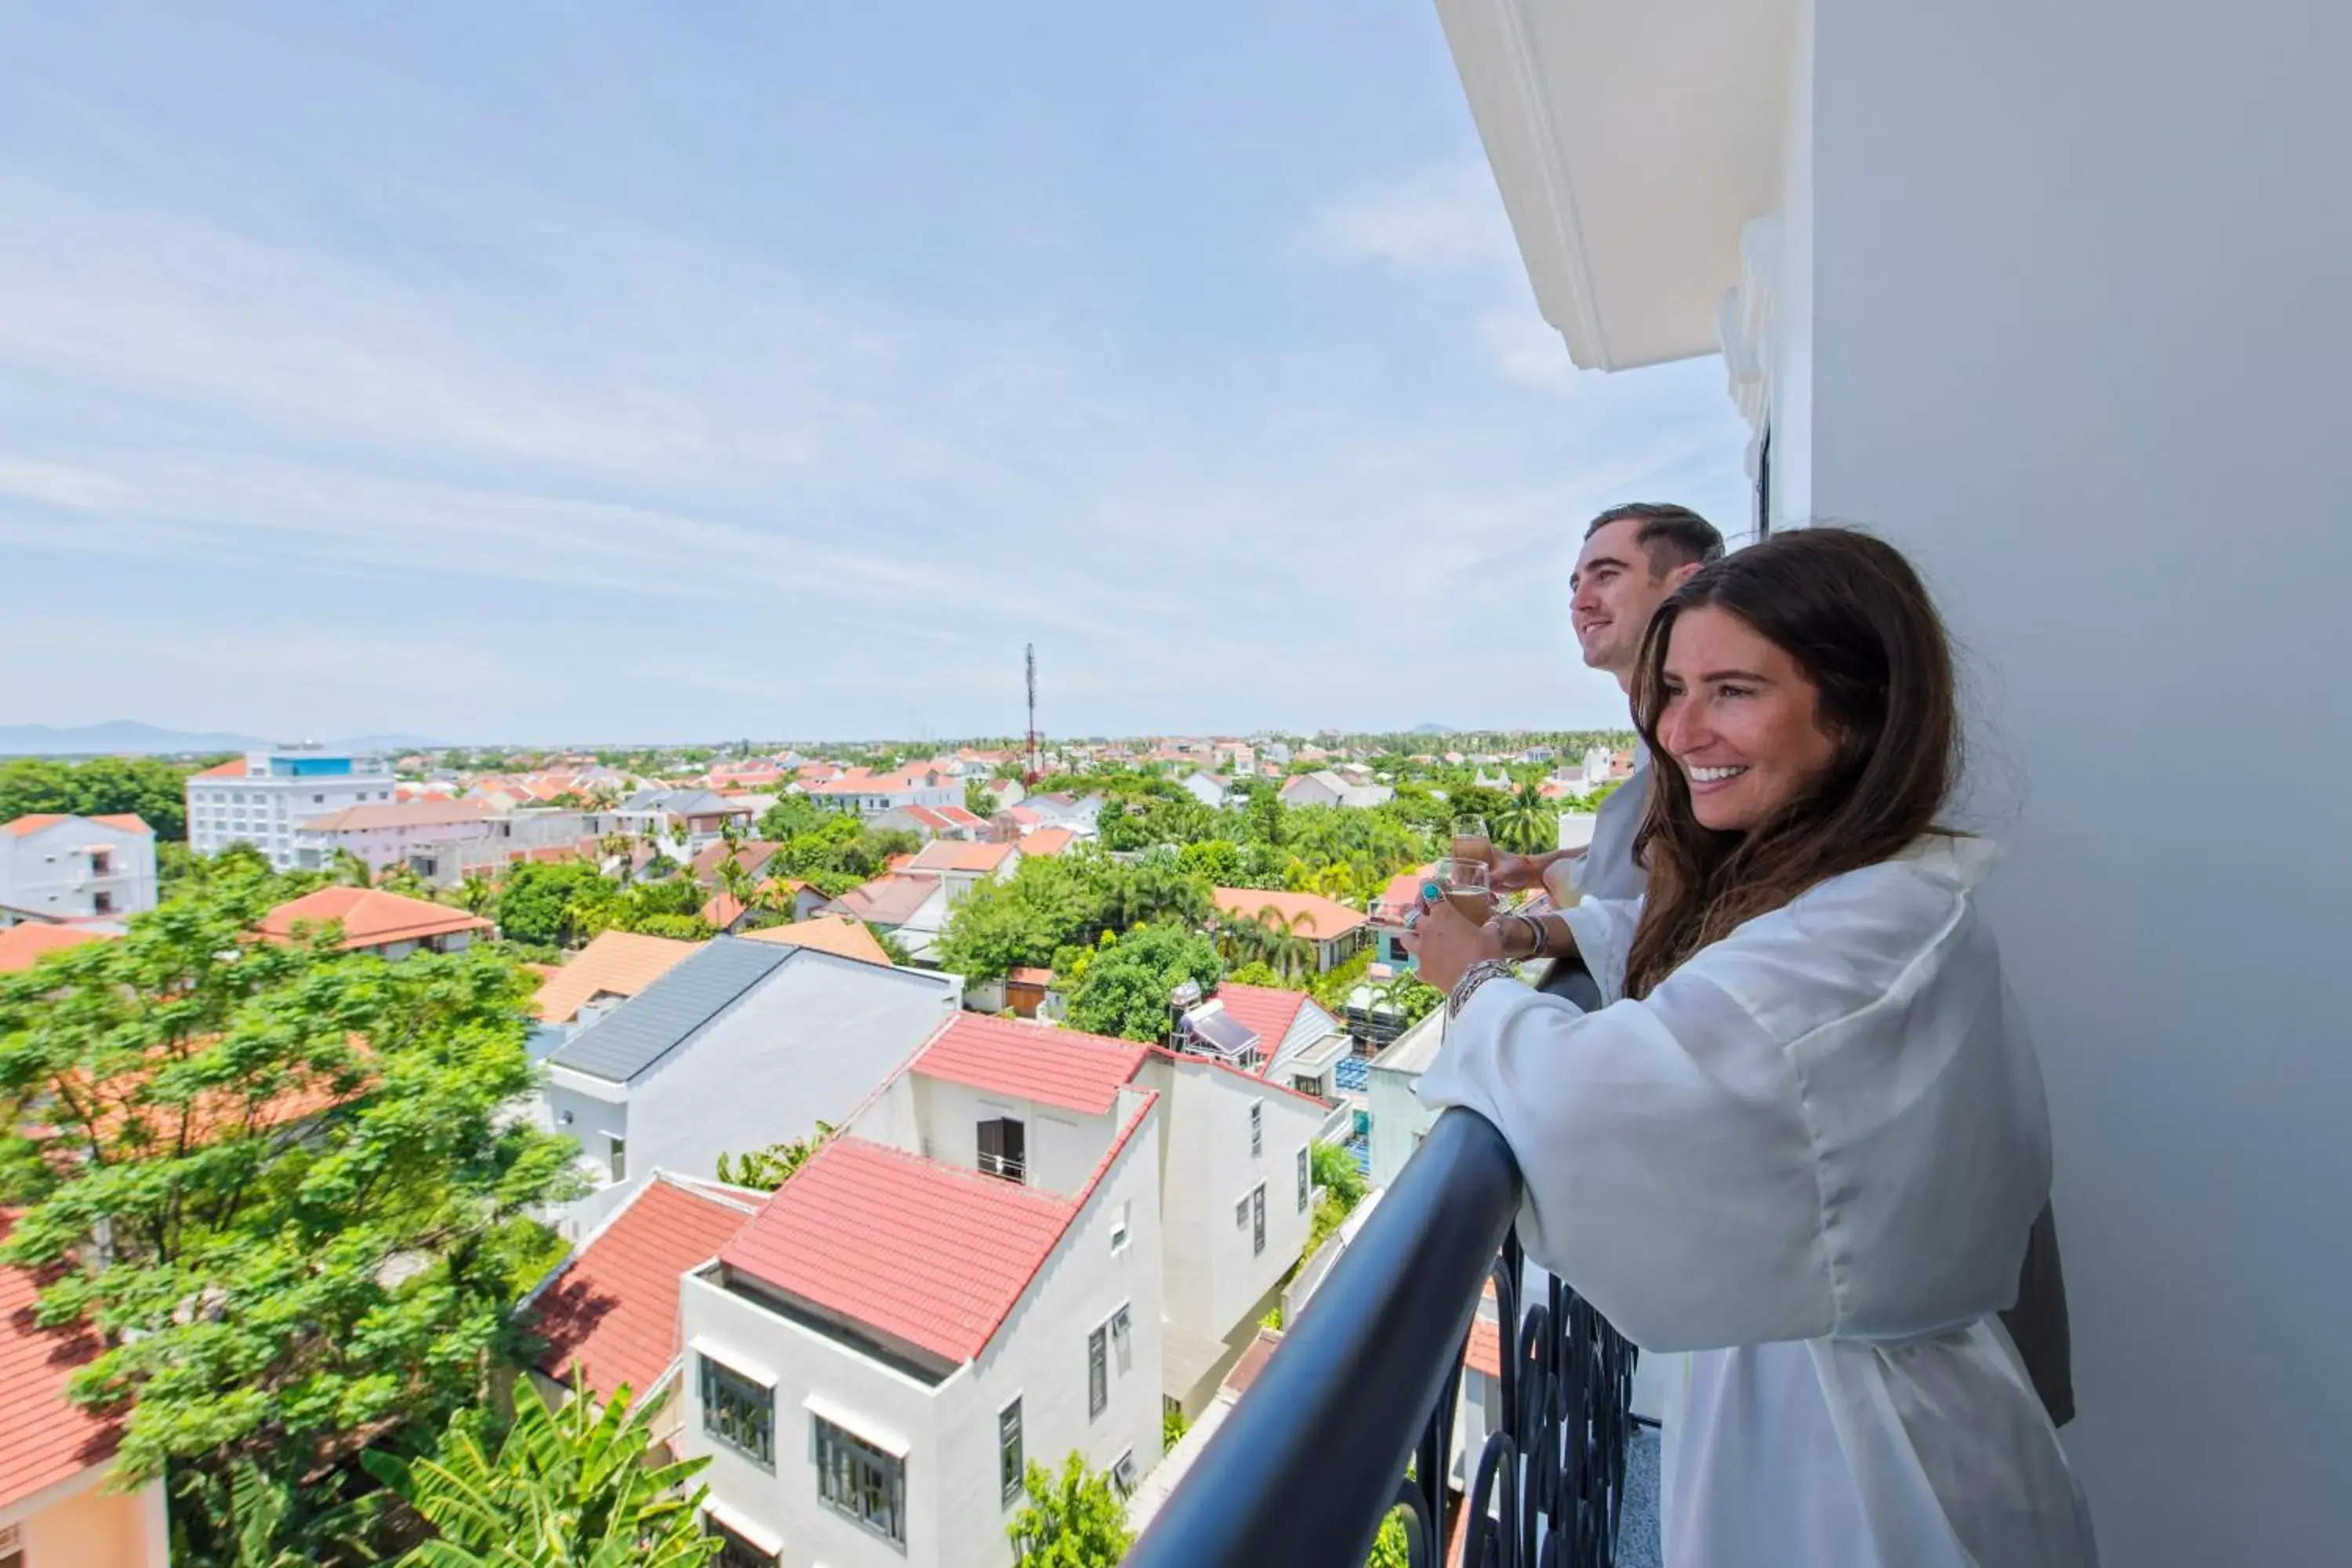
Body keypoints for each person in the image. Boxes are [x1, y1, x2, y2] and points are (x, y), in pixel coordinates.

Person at [1403, 528, 2096, 1567]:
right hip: (1843, 1403)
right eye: (1673, 689)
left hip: (1866, 1470)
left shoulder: (1858, 940)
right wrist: (1537, 930)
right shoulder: (1853, 892)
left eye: (1733, 690)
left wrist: (1475, 980)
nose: (1681, 731)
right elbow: (1695, 945)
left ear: (1860, 713)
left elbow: (1594, 1103)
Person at [1492, 502, 1723, 908]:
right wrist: (1530, 868)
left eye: (1607, 575)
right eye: (1575, 583)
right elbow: (1634, 859)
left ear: (1687, 586)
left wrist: (1498, 947)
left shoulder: (1706, 737)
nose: (1579, 602)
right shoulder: (1657, 720)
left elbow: (1625, 893)